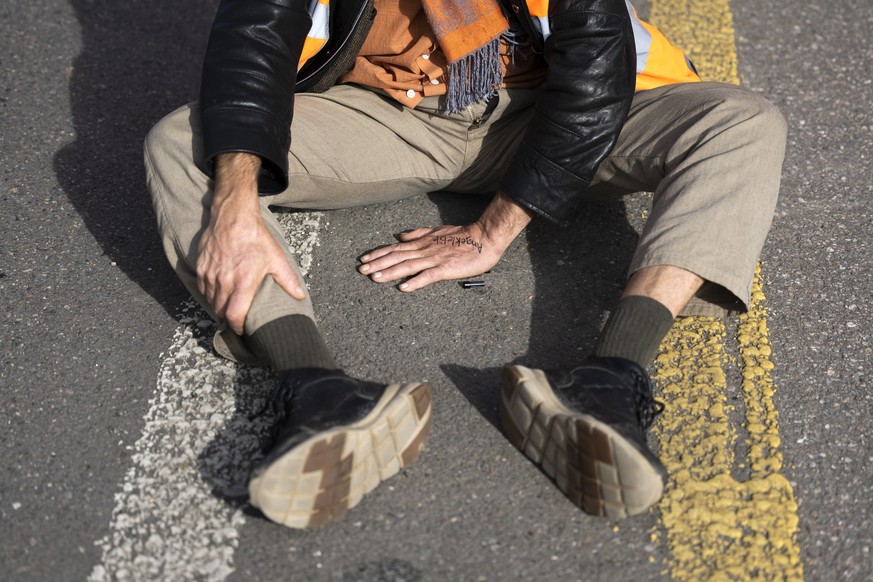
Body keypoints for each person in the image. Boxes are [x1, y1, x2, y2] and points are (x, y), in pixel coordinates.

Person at [144, 0, 786, 527]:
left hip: (546, 111)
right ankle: (318, 391)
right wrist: (234, 203)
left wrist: (492, 229)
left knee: (741, 122)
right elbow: (253, 35)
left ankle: (610, 380)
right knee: (187, 142)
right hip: (393, 113)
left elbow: (595, 71)